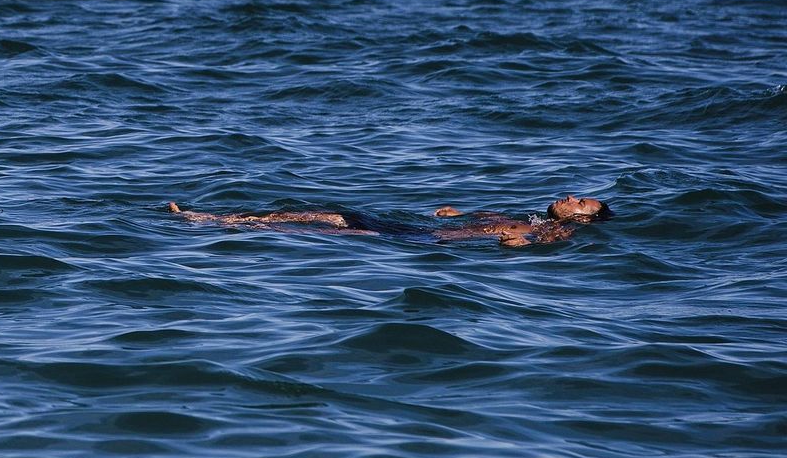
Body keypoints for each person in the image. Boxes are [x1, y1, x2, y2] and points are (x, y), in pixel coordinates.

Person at [166, 194, 611, 248]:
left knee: (342, 227)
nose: (571, 198)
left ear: (587, 219)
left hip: (421, 239)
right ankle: (219, 219)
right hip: (427, 229)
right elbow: (491, 220)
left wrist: (516, 244)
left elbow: (527, 243)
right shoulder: (529, 215)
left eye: (582, 203)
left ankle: (229, 225)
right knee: (333, 215)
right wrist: (464, 213)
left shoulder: (558, 230)